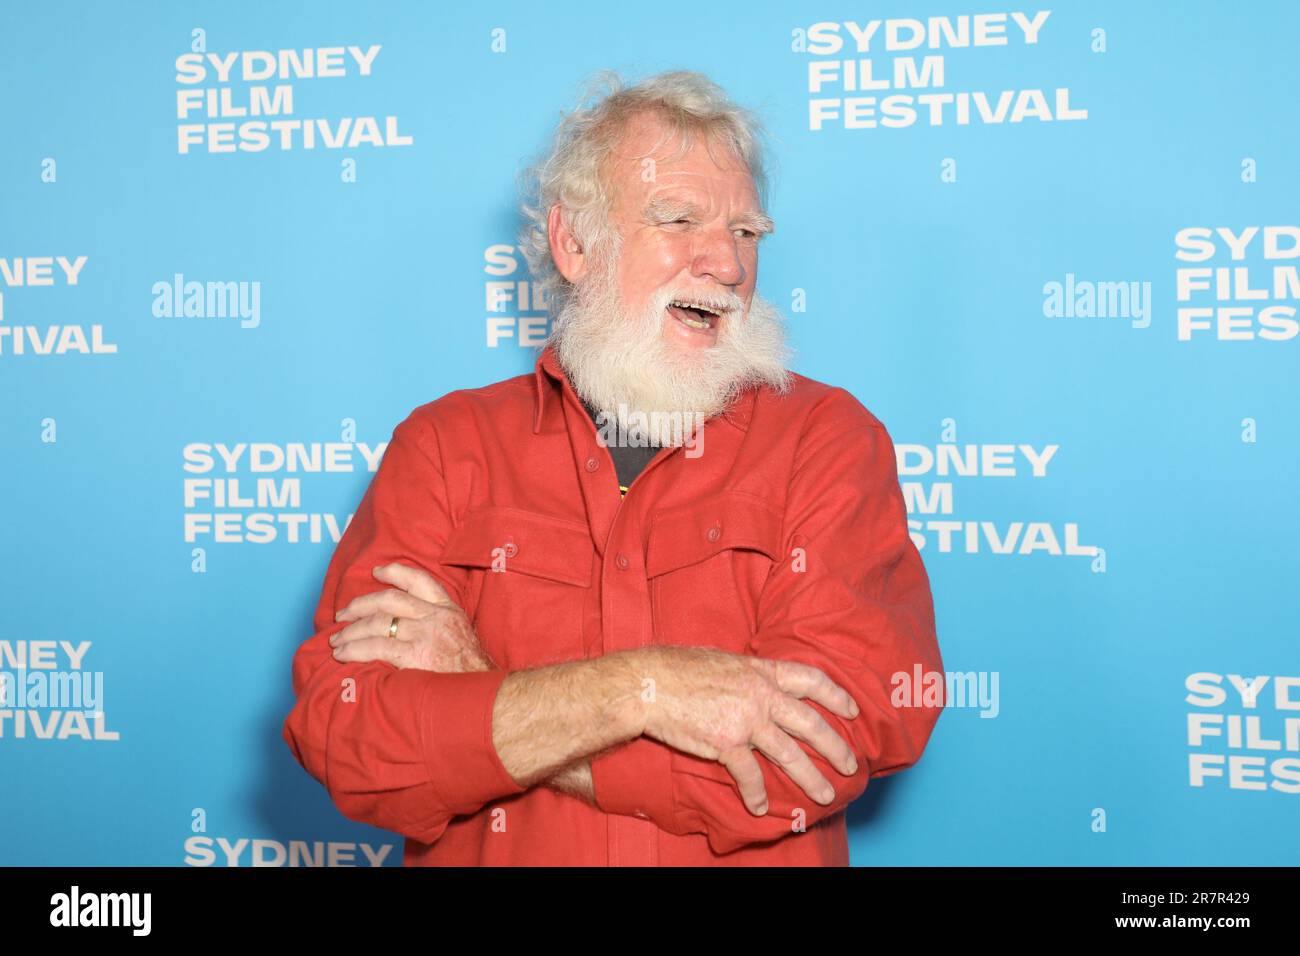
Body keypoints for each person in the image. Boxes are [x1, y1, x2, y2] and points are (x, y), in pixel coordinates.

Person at [282, 70, 945, 866]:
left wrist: (483, 687)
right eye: (679, 219)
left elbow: (807, 760)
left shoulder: (826, 441)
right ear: (575, 244)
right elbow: (351, 740)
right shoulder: (445, 445)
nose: (727, 265)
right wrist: (645, 689)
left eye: (745, 231)